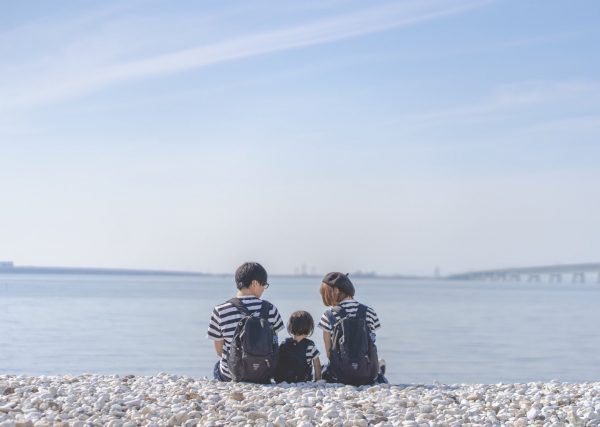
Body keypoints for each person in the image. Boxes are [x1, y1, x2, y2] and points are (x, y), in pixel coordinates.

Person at [207, 262, 284, 382]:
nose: (264, 288)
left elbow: (219, 350)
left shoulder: (220, 310)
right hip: (264, 374)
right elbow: (274, 345)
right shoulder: (270, 309)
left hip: (231, 374)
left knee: (218, 366)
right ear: (254, 283)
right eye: (264, 284)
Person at [318, 272, 387, 385]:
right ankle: (378, 372)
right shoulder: (369, 312)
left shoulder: (329, 315)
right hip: (367, 375)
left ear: (335, 291)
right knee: (375, 368)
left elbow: (329, 352)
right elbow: (371, 343)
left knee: (323, 369)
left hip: (339, 376)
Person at [274, 311, 321, 382]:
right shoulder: (310, 346)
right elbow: (317, 365)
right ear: (309, 328)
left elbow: (277, 361)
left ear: (290, 327)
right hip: (303, 380)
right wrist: (318, 380)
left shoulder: (284, 344)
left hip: (284, 380)